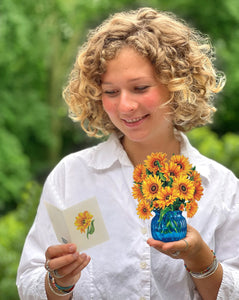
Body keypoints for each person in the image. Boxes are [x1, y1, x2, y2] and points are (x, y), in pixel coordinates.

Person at [17, 7, 239, 300]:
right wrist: (59, 282)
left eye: (140, 87)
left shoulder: (220, 186)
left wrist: (201, 261)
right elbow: (29, 283)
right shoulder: (72, 177)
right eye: (111, 92)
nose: (125, 106)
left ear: (177, 86)